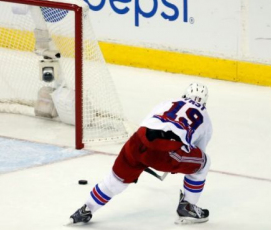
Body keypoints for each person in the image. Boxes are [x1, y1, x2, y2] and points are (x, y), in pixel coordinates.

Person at [69, 83, 213, 225]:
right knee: (203, 164)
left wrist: (144, 156)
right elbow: (196, 152)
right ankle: (188, 207)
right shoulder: (205, 118)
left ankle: (86, 208)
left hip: (138, 141)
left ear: (184, 95)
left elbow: (146, 123)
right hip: (168, 150)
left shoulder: (168, 102)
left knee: (116, 180)